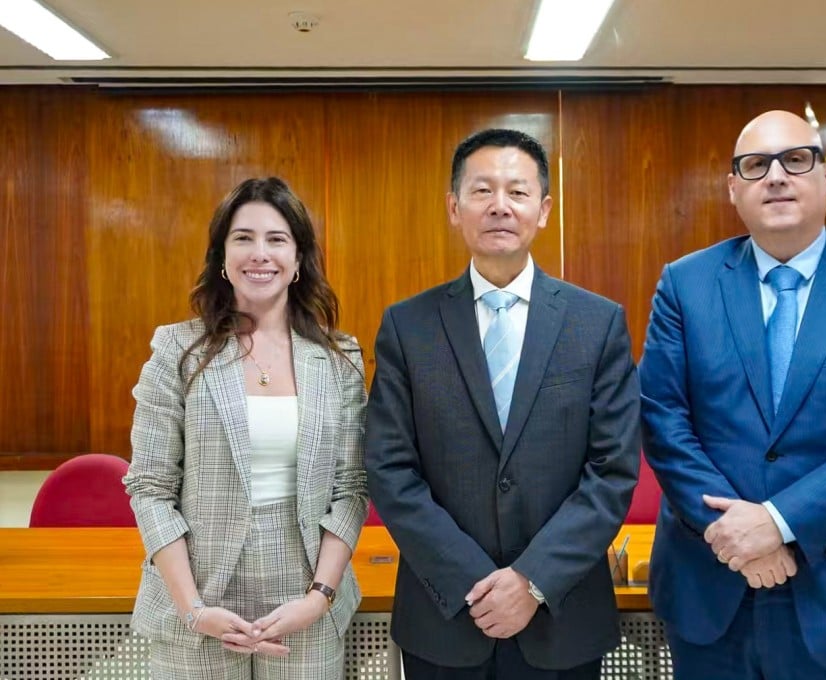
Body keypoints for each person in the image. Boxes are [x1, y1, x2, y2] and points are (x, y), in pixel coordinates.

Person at [639, 110, 826, 680]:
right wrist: (735, 534)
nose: (776, 176)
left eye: (796, 159)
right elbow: (662, 418)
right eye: (755, 166)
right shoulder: (685, 283)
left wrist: (778, 522)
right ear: (734, 190)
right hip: (713, 584)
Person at [364, 128, 641, 679]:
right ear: (454, 207)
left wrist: (532, 580)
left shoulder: (597, 322)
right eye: (481, 190)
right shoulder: (408, 325)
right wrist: (473, 580)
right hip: (444, 617)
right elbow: (390, 468)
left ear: (543, 210)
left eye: (517, 192)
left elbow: (611, 471)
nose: (499, 206)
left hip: (562, 616)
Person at [123, 177, 368, 679]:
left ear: (299, 260)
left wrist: (319, 597)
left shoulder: (339, 358)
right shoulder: (176, 351)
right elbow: (150, 487)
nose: (260, 254)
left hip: (304, 596)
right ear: (221, 256)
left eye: (277, 239)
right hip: (198, 591)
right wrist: (192, 608)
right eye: (243, 237)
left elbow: (352, 488)